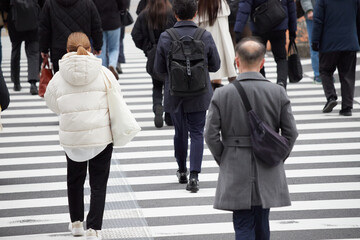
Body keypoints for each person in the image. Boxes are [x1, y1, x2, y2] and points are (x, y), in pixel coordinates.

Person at [204, 37, 298, 239]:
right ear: (262, 62)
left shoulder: (222, 94)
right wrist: (278, 156)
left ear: (237, 61)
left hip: (235, 161)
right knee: (262, 221)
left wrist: (225, 157)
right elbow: (291, 132)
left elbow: (210, 134)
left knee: (243, 222)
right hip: (267, 162)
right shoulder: (277, 92)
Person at [44, 32, 118, 240]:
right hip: (101, 137)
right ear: (91, 49)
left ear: (67, 50)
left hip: (73, 137)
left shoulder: (59, 77)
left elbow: (52, 104)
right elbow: (117, 98)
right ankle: (93, 228)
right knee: (98, 183)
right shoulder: (103, 72)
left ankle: (76, 223)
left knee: (74, 179)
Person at [155, 0, 220, 192]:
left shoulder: (166, 36)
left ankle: (182, 170)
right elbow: (216, 65)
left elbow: (158, 69)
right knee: (197, 132)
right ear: (196, 13)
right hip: (199, 93)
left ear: (175, 13)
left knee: (180, 132)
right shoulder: (204, 35)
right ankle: (194, 175)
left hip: (175, 93)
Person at [131, 0, 176, 128]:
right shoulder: (171, 12)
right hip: (170, 53)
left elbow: (136, 35)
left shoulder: (144, 14)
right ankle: (169, 114)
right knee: (170, 84)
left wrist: (147, 47)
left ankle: (157, 106)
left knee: (156, 84)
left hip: (153, 53)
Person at [234, 0, 297, 89]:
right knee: (281, 58)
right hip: (279, 23)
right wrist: (293, 29)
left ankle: (261, 85)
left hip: (259, 25)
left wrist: (238, 30)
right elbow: (291, 7)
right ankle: (281, 83)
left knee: (257, 57)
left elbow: (244, 6)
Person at [312, 0, 359, 117]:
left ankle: (331, 96)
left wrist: (315, 41)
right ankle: (347, 107)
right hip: (349, 41)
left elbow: (318, 20)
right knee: (348, 75)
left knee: (325, 70)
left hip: (329, 43)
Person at [39, 0, 103, 73]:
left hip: (59, 48)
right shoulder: (88, 3)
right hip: (82, 47)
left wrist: (44, 49)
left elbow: (44, 29)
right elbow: (96, 27)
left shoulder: (50, 3)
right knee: (83, 77)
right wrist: (97, 46)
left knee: (61, 77)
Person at [197, 0, 237, 89]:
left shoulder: (199, 6)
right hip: (220, 45)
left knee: (210, 74)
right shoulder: (221, 4)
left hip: (203, 45)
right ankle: (217, 92)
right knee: (218, 72)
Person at [5, 0, 41, 94]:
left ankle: (16, 82)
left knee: (15, 50)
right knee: (33, 53)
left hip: (15, 18)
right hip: (33, 17)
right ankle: (33, 83)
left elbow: (4, 4)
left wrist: (7, 12)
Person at [93, 0, 128, 80]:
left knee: (101, 49)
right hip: (114, 20)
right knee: (114, 48)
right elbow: (122, 3)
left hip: (99, 22)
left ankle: (104, 71)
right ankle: (112, 64)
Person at [301, 0, 321, 84]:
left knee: (327, 44)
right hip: (313, 15)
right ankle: (317, 74)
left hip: (327, 14)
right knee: (314, 44)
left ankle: (326, 72)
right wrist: (309, 10)